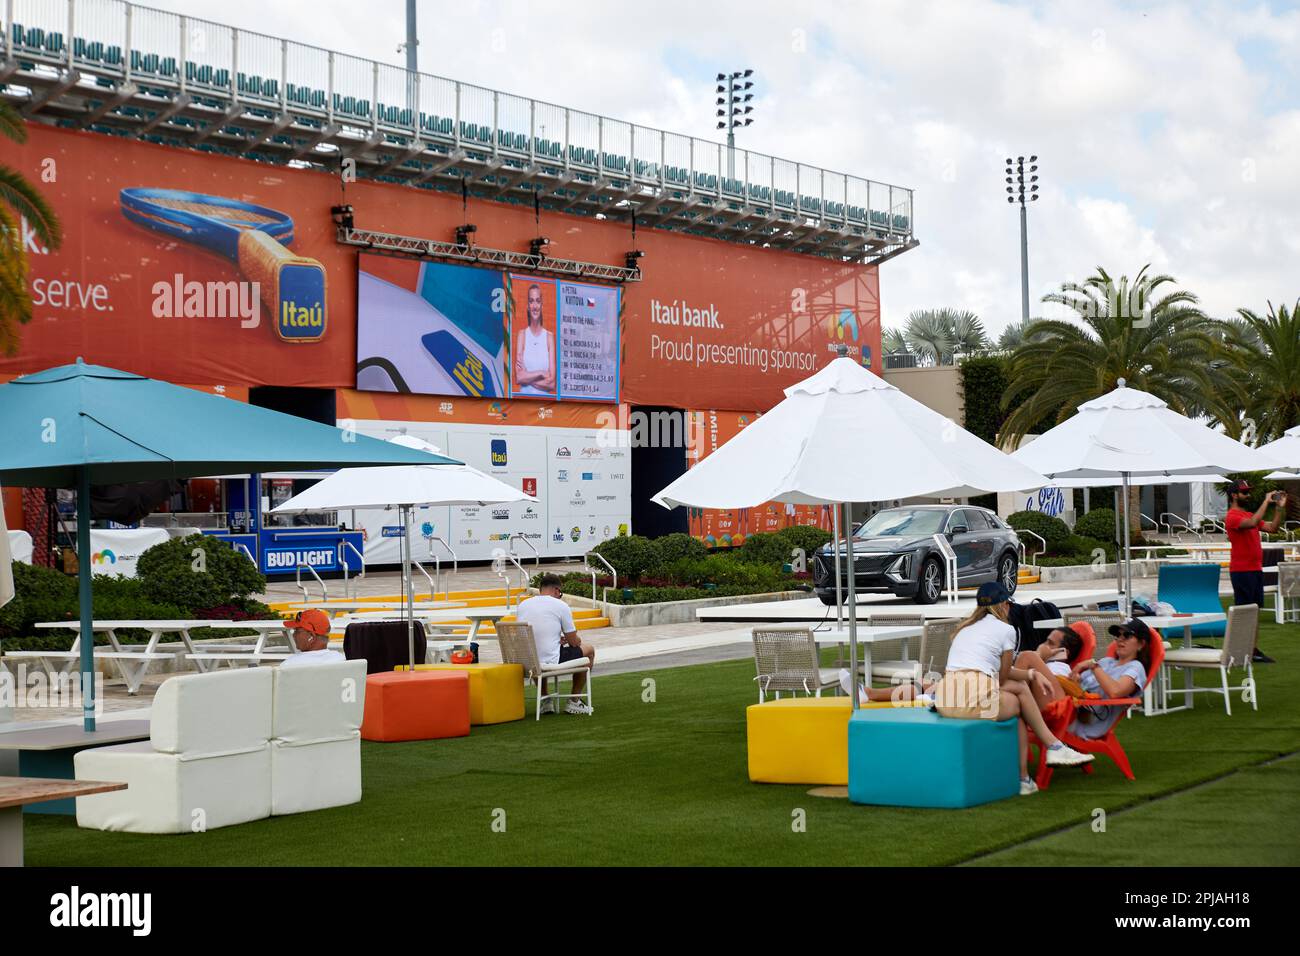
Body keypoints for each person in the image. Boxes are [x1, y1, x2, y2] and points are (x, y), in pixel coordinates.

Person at [932, 582, 1093, 796]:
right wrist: (1030, 675)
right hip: (973, 700)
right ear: (1004, 605)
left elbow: (994, 672)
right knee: (1018, 698)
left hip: (946, 698)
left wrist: (1031, 674)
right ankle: (1051, 750)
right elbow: (1003, 677)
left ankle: (1028, 776)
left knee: (1017, 705)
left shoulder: (965, 628)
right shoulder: (1006, 630)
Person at [1224, 479, 1286, 663]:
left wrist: (1279, 507)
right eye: (1244, 492)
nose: (1248, 495)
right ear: (1234, 495)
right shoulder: (1232, 516)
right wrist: (1266, 501)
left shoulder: (1250, 514)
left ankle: (1252, 650)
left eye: (1248, 492)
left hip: (1255, 570)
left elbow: (1272, 528)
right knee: (1243, 612)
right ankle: (1237, 650)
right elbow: (1251, 523)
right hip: (1242, 571)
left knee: (1254, 610)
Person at [513, 573, 595, 714]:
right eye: (560, 593)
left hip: (528, 660)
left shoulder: (523, 605)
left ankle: (545, 699)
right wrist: (577, 640)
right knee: (589, 650)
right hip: (551, 661)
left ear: (540, 589)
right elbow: (573, 642)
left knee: (538, 653)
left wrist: (558, 640)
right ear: (557, 590)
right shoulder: (561, 605)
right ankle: (574, 701)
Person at [1066, 619, 1152, 740]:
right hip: (1070, 708)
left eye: (1127, 635)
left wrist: (1093, 666)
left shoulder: (1136, 668)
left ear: (1141, 644)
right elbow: (1080, 683)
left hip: (1084, 721)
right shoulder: (1107, 662)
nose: (1120, 639)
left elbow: (1115, 691)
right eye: (1118, 635)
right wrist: (1076, 678)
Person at [513, 283, 556, 396]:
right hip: (524, 403)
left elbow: (552, 384)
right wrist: (541, 373)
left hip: (547, 407)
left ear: (542, 305)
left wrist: (528, 376)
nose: (535, 306)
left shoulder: (549, 337)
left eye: (538, 301)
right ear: (527, 306)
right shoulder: (522, 335)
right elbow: (519, 377)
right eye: (531, 301)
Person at [279, 609, 345, 668]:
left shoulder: (289, 665)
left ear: (311, 636)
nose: (293, 635)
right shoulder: (341, 659)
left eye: (297, 631)